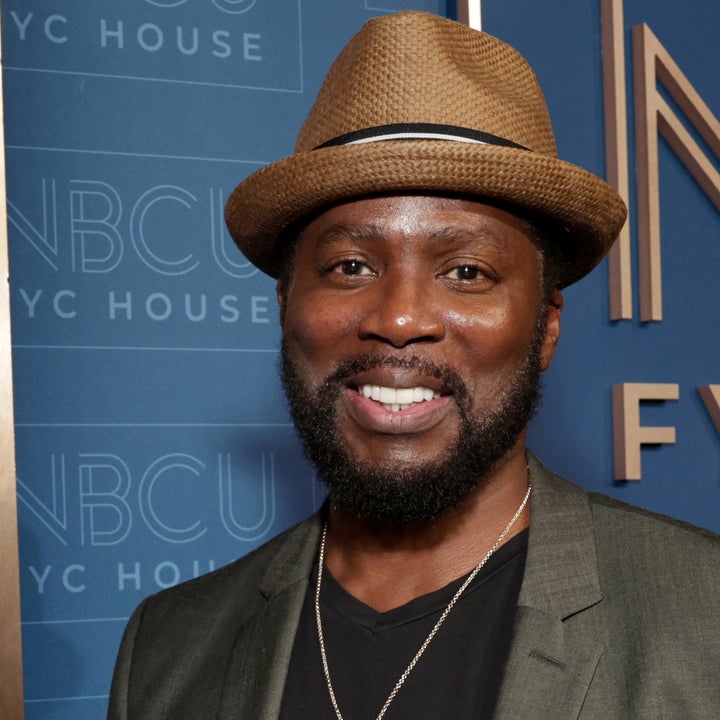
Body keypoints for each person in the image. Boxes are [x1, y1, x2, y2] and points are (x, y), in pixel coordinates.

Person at [108, 11, 720, 719]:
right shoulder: (170, 647)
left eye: (466, 271)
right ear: (285, 305)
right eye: (350, 266)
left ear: (547, 325)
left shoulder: (703, 620)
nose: (399, 319)